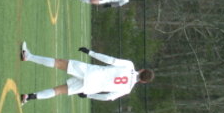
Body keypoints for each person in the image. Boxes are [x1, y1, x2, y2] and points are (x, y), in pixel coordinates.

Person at [19, 43, 154, 104]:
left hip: (90, 72)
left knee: (59, 63)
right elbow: (108, 97)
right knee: (59, 91)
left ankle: (28, 56)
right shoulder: (127, 89)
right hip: (89, 87)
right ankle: (29, 97)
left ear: (142, 70)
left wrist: (91, 52)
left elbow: (111, 60)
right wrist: (89, 95)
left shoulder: (129, 65)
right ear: (143, 82)